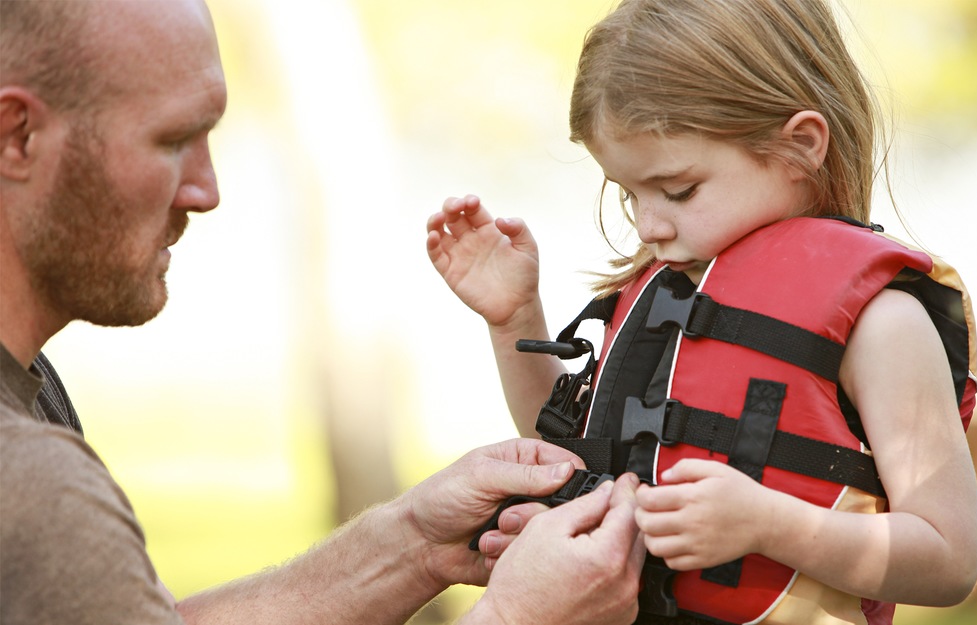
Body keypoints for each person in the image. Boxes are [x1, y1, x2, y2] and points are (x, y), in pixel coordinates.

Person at [0, 1, 647, 623]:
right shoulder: (33, 484)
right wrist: (518, 615)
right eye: (171, 141)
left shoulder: (30, 389)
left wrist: (415, 542)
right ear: (17, 135)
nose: (208, 190)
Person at [426, 0, 977, 623]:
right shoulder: (663, 297)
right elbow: (579, 455)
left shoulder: (883, 326)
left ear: (800, 146)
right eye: (627, 192)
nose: (649, 224)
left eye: (678, 190)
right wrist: (514, 320)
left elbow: (949, 557)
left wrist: (770, 524)